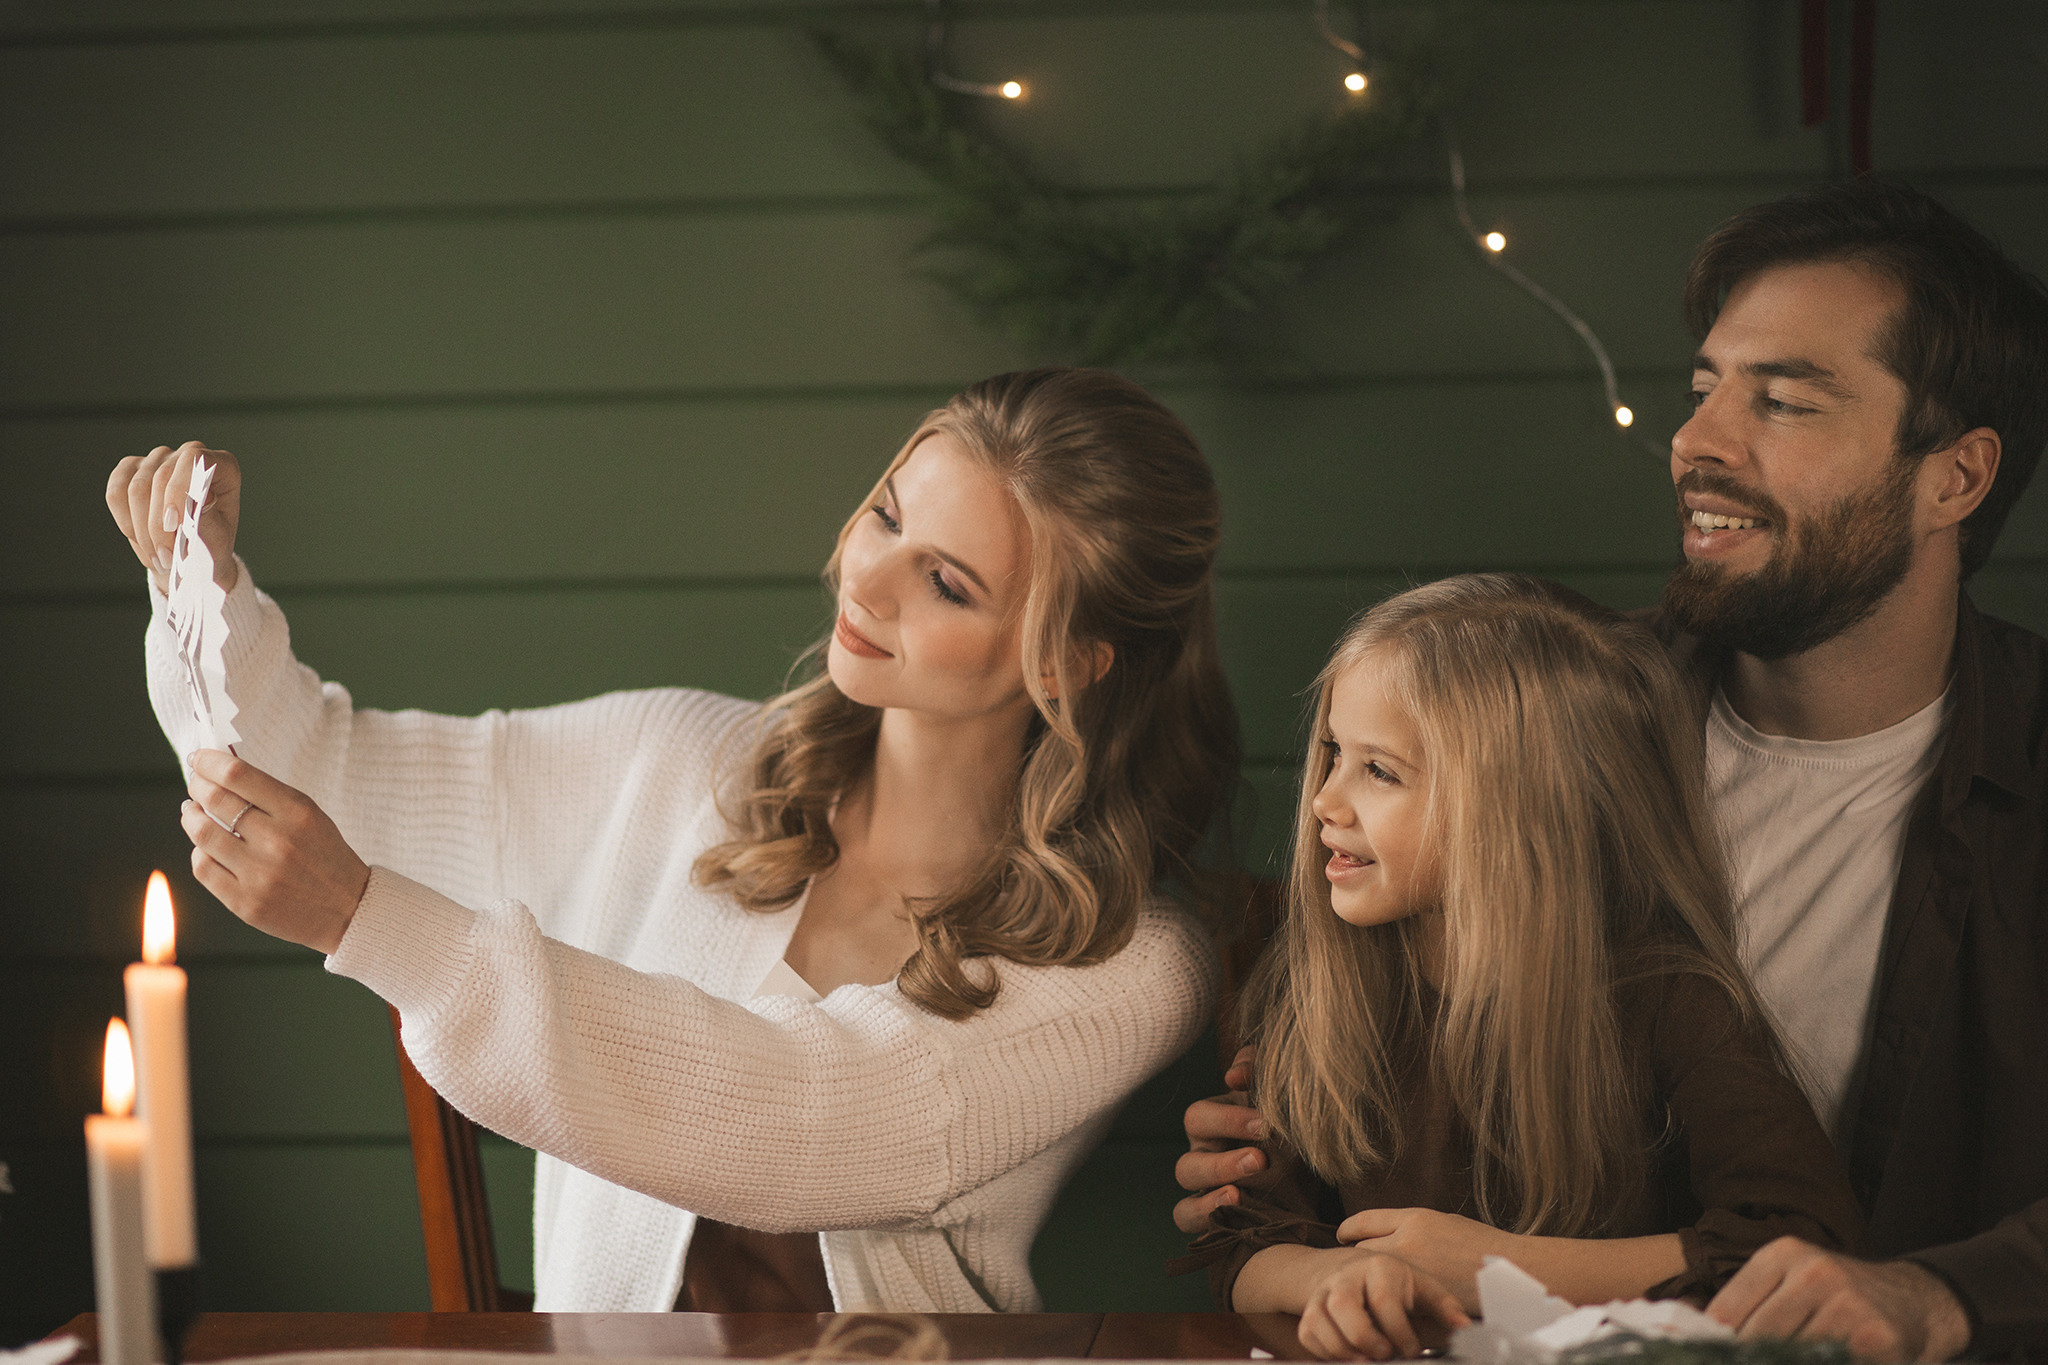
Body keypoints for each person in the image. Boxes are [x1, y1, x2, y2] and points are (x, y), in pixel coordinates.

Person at [106, 367, 1242, 1314]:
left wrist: (373, 923)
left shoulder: (1127, 961)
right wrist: (199, 584)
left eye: (943, 582)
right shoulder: (674, 760)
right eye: (887, 516)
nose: (867, 578)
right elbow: (319, 770)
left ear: (1063, 661)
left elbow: (800, 1121)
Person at [1177, 180, 2048, 1360]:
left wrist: (1945, 1295)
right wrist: (1279, 1175)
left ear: (1953, 476)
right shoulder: (1551, 721)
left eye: (1782, 402)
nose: (1695, 442)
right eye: (1703, 392)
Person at [1173, 574, 1862, 1360]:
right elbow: (1242, 1239)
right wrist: (1329, 1279)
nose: (1325, 800)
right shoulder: (1324, 989)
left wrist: (1503, 1268)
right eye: (1333, 751)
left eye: (1381, 770)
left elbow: (1806, 1243)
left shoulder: (1670, 1000)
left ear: (1519, 809)